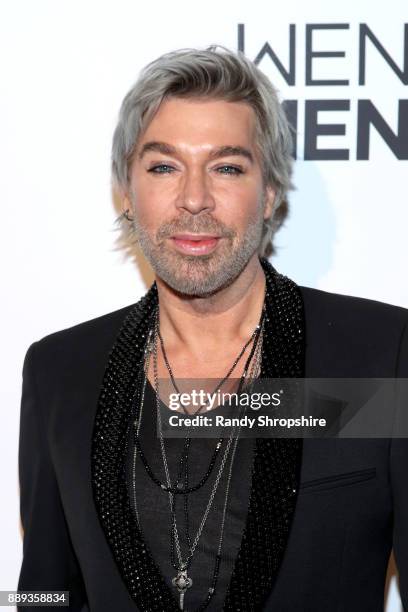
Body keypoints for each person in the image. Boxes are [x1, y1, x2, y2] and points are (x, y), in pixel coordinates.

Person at [18, 46, 408, 612]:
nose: (194, 199)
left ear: (269, 192)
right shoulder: (61, 370)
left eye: (227, 167)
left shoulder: (379, 354)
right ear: (127, 192)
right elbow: (45, 593)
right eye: (163, 167)